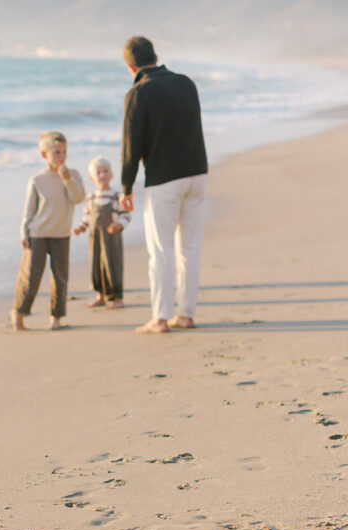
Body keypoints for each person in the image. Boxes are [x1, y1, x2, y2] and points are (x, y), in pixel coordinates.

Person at [120, 35, 208, 334]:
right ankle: (186, 314)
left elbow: (132, 147)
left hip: (164, 179)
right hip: (197, 172)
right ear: (155, 57)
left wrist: (126, 187)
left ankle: (159, 317)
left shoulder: (138, 92)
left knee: (161, 250)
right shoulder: (186, 82)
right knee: (190, 248)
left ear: (130, 66)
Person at [11, 130, 85, 331]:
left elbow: (78, 198)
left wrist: (68, 180)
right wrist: (23, 235)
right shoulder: (37, 180)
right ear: (44, 155)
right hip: (38, 235)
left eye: (64, 152)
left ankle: (56, 317)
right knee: (31, 276)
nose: (61, 156)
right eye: (57, 153)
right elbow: (28, 212)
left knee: (60, 277)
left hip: (61, 234)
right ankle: (18, 313)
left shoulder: (73, 175)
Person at [73, 157, 131, 308]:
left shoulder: (116, 196)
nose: (102, 175)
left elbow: (126, 214)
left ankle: (116, 297)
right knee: (96, 265)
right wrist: (80, 227)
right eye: (98, 173)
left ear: (111, 174)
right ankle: (100, 295)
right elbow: (86, 217)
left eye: (105, 171)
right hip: (95, 239)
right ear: (92, 178)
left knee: (113, 264)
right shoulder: (91, 198)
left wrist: (118, 224)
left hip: (112, 239)